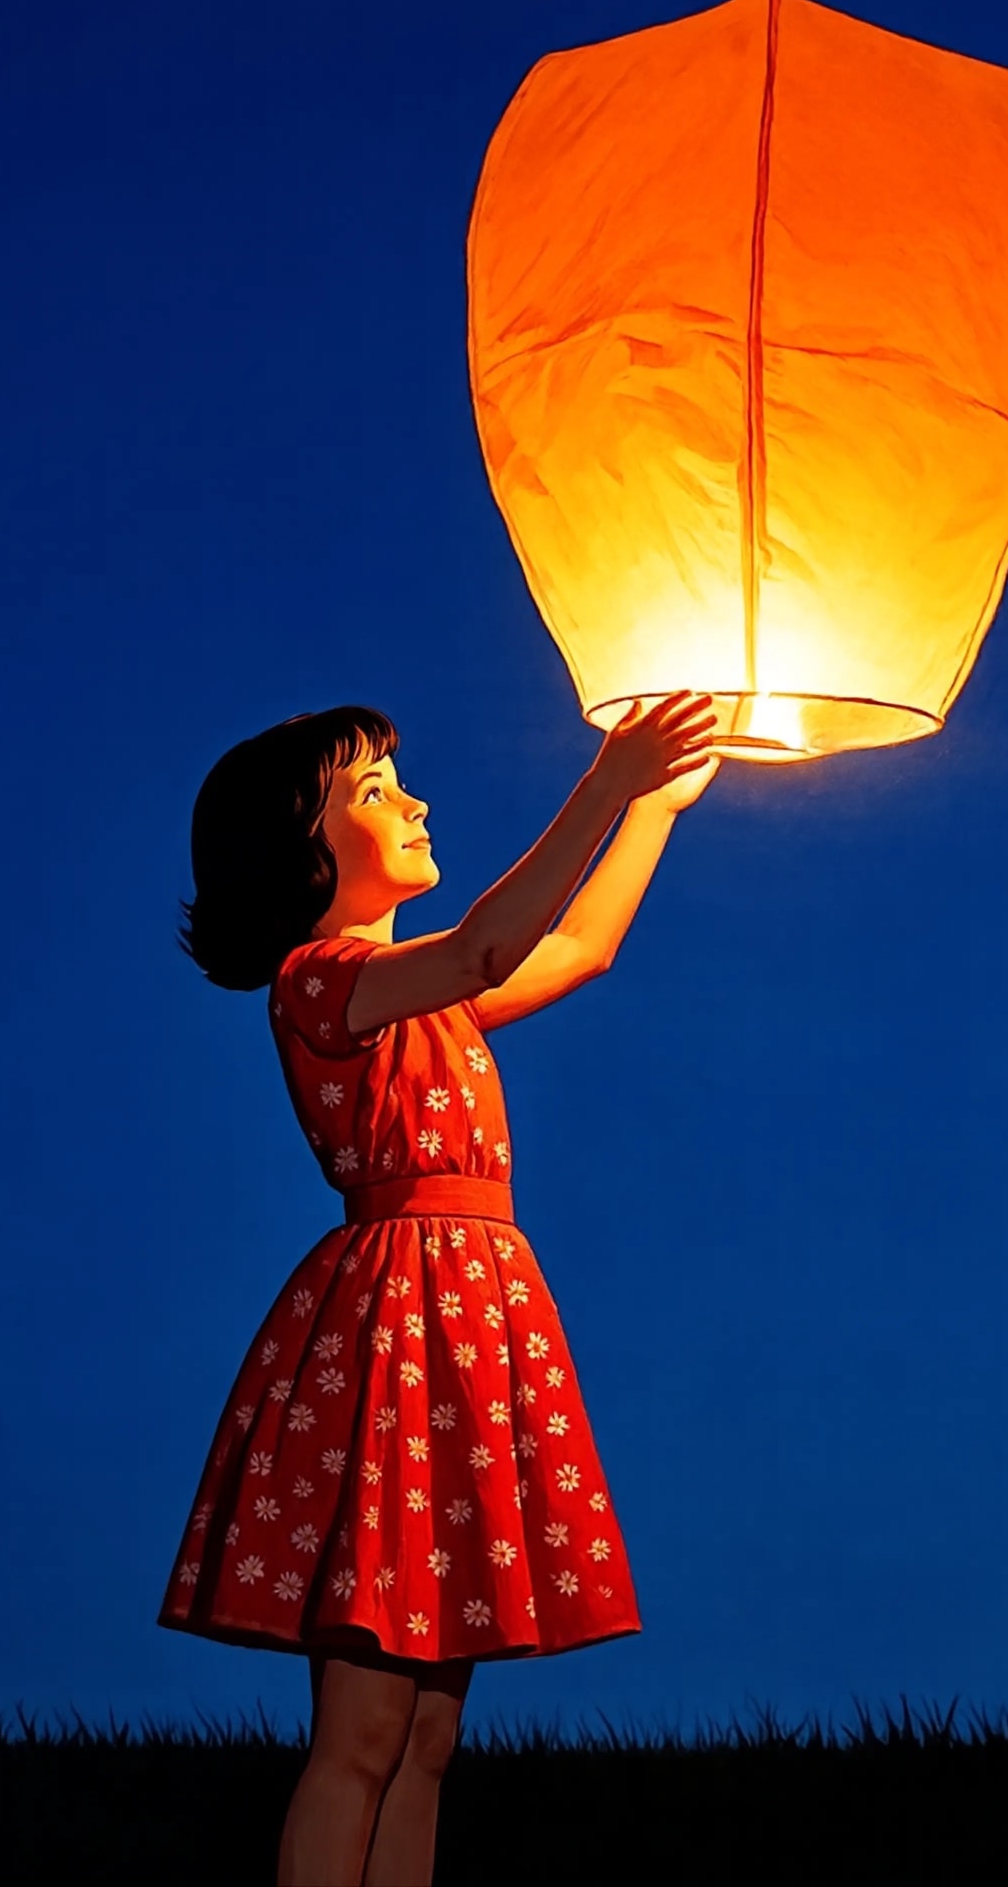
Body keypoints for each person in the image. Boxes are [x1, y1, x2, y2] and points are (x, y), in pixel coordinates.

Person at [158, 692, 719, 1887]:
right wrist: (605, 784)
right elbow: (484, 946)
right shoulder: (321, 981)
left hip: (465, 1323)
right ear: (301, 852)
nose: (411, 802)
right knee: (363, 1728)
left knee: (423, 1736)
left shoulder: (427, 997)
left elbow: (576, 948)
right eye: (370, 792)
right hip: (397, 1332)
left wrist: (654, 808)